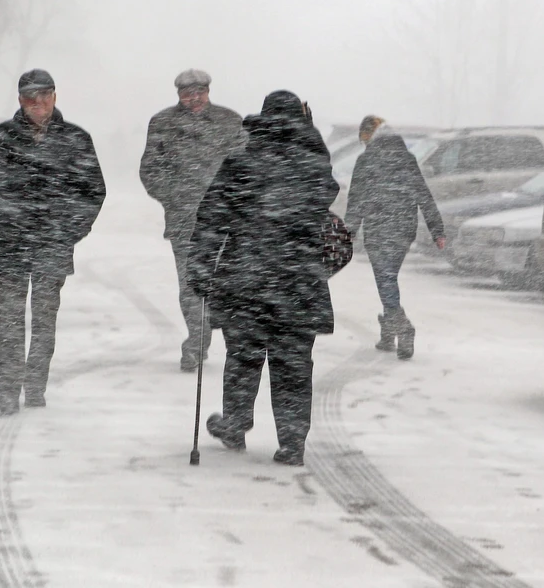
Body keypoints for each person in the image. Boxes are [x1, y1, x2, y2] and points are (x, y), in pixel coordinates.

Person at [187, 90, 339, 466]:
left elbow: (210, 220)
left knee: (243, 355)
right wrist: (308, 127)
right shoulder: (314, 167)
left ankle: (236, 424)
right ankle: (291, 441)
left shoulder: (240, 165)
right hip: (298, 279)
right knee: (294, 365)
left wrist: (201, 267)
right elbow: (325, 191)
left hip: (246, 276)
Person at [0, 69, 107, 415]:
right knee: (9, 317)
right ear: (20, 100)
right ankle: (8, 388)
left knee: (44, 317)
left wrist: (69, 230)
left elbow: (94, 192)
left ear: (55, 96)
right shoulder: (1, 138)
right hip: (8, 242)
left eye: (44, 96)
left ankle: (36, 385)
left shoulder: (75, 139)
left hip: (52, 244)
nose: (38, 104)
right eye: (30, 98)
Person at [139, 69, 244, 371]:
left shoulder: (230, 121)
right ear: (178, 94)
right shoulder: (163, 123)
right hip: (184, 219)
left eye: (200, 91)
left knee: (224, 284)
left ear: (209, 91)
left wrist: (232, 198)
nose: (194, 98)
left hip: (226, 221)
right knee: (190, 285)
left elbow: (246, 167)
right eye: (187, 93)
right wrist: (175, 196)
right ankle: (196, 343)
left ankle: (223, 340)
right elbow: (150, 170)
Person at [345, 116, 445, 360]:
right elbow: (423, 193)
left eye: (364, 139)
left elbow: (356, 198)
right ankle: (388, 333)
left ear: (369, 136)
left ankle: (403, 328)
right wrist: (437, 229)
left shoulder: (366, 160)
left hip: (379, 228)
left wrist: (349, 231)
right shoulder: (406, 158)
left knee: (385, 279)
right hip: (403, 229)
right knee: (387, 278)